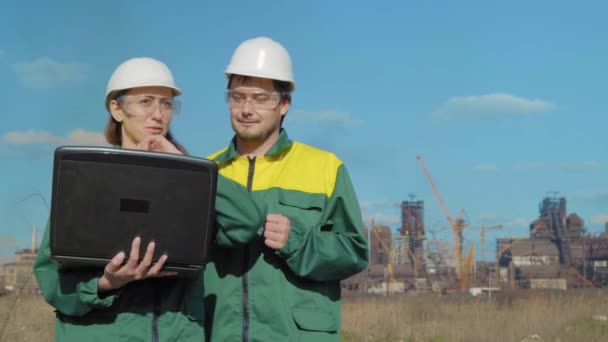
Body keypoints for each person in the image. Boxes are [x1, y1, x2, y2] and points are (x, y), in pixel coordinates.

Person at [34, 57, 265, 341]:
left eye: (167, 104)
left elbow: (247, 222)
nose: (158, 114)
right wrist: (106, 283)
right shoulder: (87, 178)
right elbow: (51, 280)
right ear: (117, 109)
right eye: (146, 102)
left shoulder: (191, 182)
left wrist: (186, 165)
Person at [203, 37, 369, 342]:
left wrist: (298, 241)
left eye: (260, 98)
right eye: (238, 97)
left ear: (284, 104)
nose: (246, 109)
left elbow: (354, 252)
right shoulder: (206, 171)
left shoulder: (325, 167)